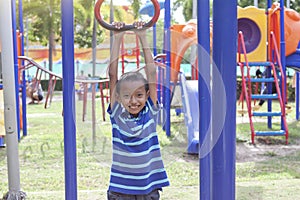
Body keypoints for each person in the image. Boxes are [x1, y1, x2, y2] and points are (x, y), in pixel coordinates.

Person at [106, 21, 169, 200]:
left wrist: (142, 36)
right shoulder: (117, 114)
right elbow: (112, 76)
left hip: (147, 188)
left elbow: (151, 73)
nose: (133, 101)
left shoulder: (150, 110)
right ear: (118, 97)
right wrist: (117, 38)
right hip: (120, 190)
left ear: (147, 94)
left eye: (139, 95)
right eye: (127, 96)